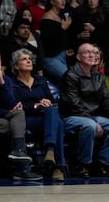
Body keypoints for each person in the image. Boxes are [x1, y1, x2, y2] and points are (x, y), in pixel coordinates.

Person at [59, 43, 109, 178]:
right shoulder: (70, 75)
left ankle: (102, 162)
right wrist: (91, 120)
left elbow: (106, 99)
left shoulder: (98, 76)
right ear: (78, 57)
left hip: (92, 116)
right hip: (71, 116)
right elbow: (74, 104)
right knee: (90, 126)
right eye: (87, 52)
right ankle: (82, 164)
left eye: (94, 53)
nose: (92, 55)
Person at [0, 45, 43, 181]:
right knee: (17, 123)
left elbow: (12, 103)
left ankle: (18, 152)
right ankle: (22, 169)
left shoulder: (5, 79)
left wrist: (1, 83)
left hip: (0, 118)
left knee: (18, 116)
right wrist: (7, 112)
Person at [11, 48, 66, 181]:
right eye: (24, 59)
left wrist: (46, 102)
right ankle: (58, 166)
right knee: (58, 123)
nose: (28, 61)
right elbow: (15, 106)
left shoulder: (41, 80)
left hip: (44, 118)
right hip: (24, 120)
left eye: (30, 59)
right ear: (16, 65)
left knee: (53, 111)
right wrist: (36, 106)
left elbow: (51, 101)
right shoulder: (12, 83)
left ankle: (50, 153)